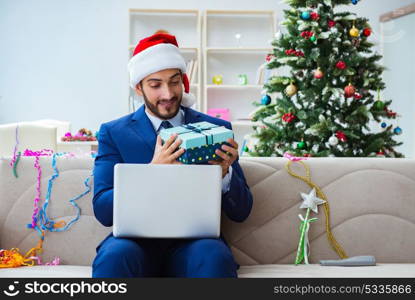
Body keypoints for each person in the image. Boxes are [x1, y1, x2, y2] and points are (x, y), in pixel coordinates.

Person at [92, 32, 253, 278]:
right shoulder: (114, 133)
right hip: (134, 245)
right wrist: (152, 172)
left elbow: (241, 212)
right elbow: (103, 210)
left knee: (214, 256)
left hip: (196, 245)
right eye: (155, 85)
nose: (168, 94)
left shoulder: (217, 130)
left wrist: (224, 174)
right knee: (115, 256)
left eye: (174, 82)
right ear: (139, 88)